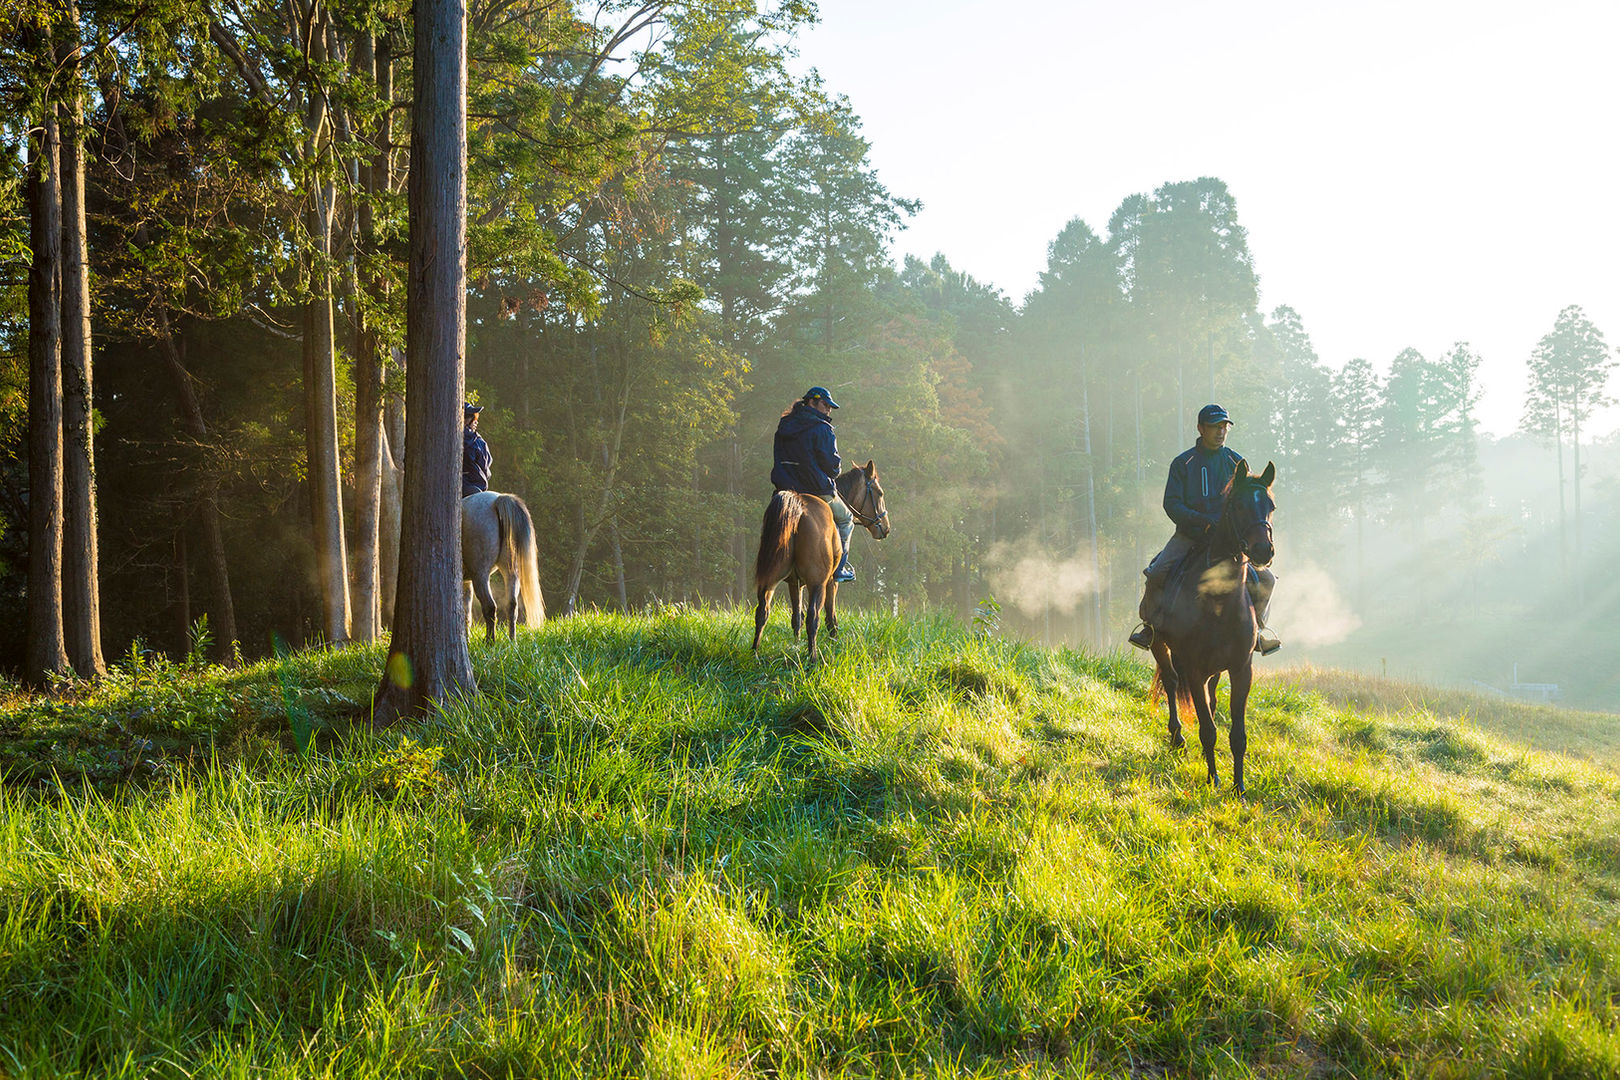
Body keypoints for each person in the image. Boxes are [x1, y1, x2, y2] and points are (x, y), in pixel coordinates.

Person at [1128, 403, 1280, 655]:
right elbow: (1172, 504)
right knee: (1157, 573)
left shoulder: (1236, 461)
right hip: (1190, 536)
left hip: (1230, 540)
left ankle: (1258, 631)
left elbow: (1248, 501)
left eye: (1224, 427)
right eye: (1214, 426)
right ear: (1201, 428)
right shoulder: (1183, 463)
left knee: (1267, 579)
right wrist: (1202, 521)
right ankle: (1150, 628)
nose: (1220, 432)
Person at [771, 386, 856, 583]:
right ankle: (839, 569)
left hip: (784, 488)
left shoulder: (784, 425)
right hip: (816, 488)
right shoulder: (822, 428)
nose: (828, 410)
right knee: (846, 519)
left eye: (830, 407)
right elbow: (832, 466)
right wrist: (834, 470)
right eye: (825, 405)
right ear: (812, 402)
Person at [462, 401, 492, 498]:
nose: (476, 422)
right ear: (465, 420)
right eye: (474, 418)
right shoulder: (478, 442)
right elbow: (486, 468)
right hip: (475, 486)